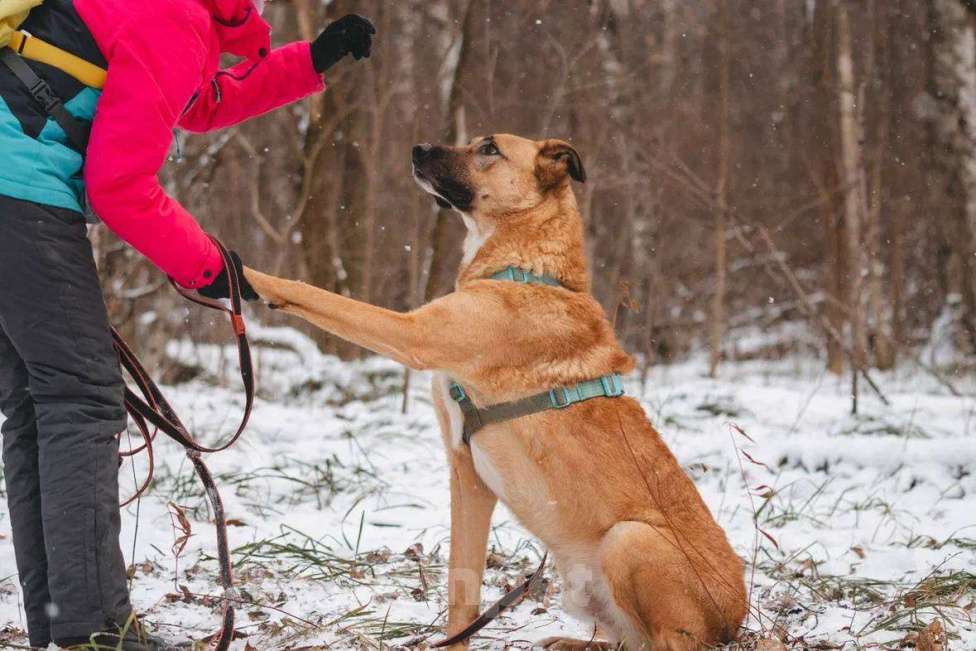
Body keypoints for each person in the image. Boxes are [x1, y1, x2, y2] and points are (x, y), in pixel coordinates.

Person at [0, 1, 374, 648]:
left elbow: (196, 101)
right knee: (82, 400)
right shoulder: (172, 16)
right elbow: (119, 184)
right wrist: (208, 266)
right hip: (19, 193)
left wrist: (308, 61)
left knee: (41, 403)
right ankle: (95, 632)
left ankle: (65, 626)